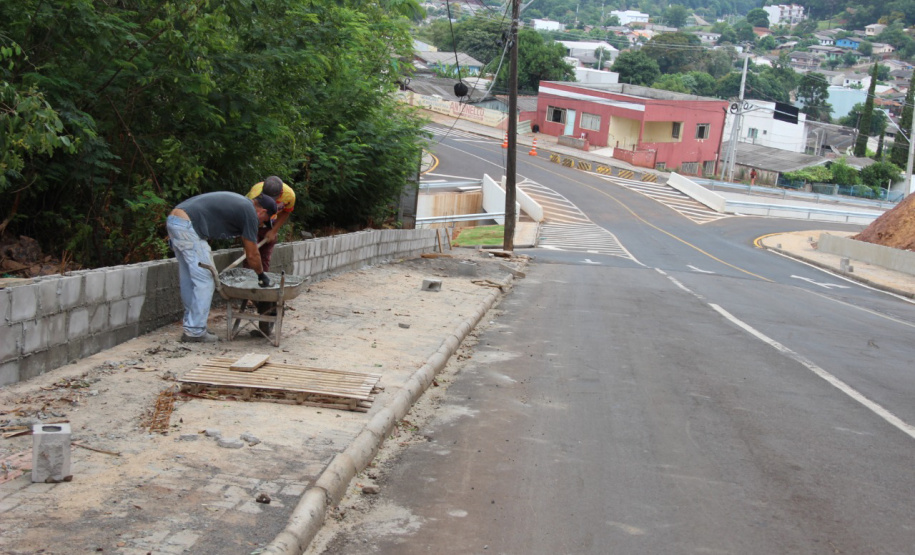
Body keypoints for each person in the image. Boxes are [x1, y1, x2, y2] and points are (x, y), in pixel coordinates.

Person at [166, 191, 277, 343]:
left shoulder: (242, 204)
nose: (262, 224)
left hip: (175, 220)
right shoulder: (250, 212)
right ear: (262, 211)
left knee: (190, 278)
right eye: (265, 220)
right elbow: (252, 254)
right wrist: (261, 275)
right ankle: (195, 331)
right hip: (187, 225)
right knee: (206, 279)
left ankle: (192, 326)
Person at [246, 176, 296, 272]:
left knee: (265, 257)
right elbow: (247, 219)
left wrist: (273, 231)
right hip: (251, 223)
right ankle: (247, 282)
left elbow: (286, 212)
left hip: (270, 223)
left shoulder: (289, 196)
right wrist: (248, 241)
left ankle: (263, 282)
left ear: (280, 193)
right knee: (250, 256)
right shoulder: (255, 194)